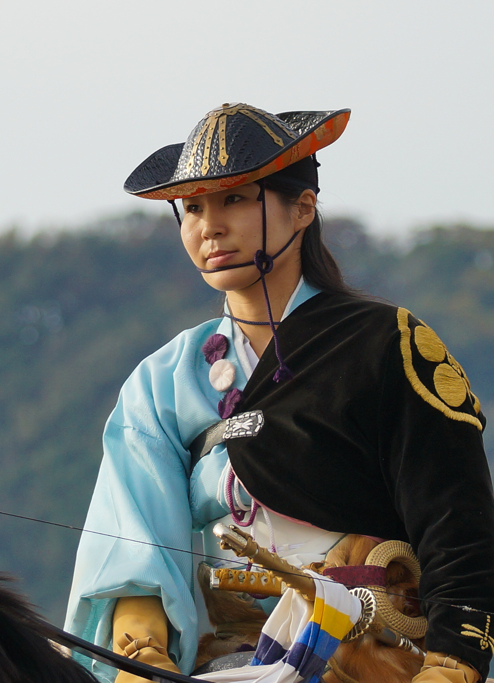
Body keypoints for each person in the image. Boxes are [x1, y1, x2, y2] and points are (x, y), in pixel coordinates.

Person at [64, 104, 494, 683]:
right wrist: (143, 661)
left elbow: (458, 526)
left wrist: (451, 667)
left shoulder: (384, 344)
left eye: (235, 199)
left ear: (304, 208)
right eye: (192, 208)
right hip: (228, 660)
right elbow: (135, 548)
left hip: (374, 655)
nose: (209, 226)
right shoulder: (161, 383)